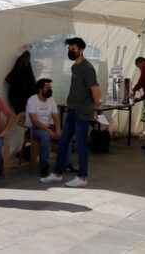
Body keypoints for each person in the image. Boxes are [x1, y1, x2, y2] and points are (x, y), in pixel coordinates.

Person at [41, 37, 101, 187]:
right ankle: (57, 173)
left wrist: (95, 109)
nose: (70, 52)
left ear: (81, 50)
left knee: (81, 145)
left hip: (82, 113)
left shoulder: (87, 68)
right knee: (62, 142)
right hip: (72, 110)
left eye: (73, 49)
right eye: (69, 49)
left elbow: (95, 91)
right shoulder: (75, 67)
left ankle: (82, 177)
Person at [25, 78, 63, 176]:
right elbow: (35, 121)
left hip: (47, 126)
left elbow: (55, 116)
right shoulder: (32, 100)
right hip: (33, 129)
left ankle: (66, 164)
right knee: (45, 136)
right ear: (40, 89)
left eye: (50, 87)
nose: (50, 89)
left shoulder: (51, 100)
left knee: (65, 134)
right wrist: (48, 131)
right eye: (47, 88)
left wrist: (58, 129)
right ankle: (45, 165)